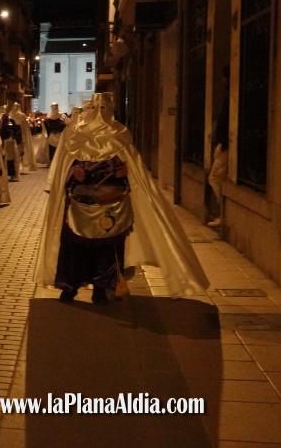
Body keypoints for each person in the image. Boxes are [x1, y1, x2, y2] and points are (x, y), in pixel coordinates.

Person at [35, 92, 210, 304]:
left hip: (112, 205)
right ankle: (70, 286)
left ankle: (102, 288)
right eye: (94, 108)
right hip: (79, 205)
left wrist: (124, 172)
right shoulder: (73, 134)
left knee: (109, 250)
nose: (99, 114)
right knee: (75, 247)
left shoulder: (118, 134)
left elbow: (134, 167)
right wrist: (73, 173)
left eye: (104, 109)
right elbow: (62, 168)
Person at [208, 67, 230, 227]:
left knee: (214, 178)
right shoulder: (228, 95)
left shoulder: (230, 96)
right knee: (215, 178)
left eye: (224, 77)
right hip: (222, 143)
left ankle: (223, 214)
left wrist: (222, 142)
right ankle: (221, 213)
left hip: (224, 145)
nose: (222, 81)